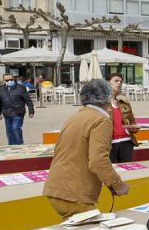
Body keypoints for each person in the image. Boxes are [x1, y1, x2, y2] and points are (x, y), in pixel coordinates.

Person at [42, 79, 129, 218]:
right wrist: (117, 184)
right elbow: (97, 160)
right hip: (74, 193)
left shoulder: (77, 115)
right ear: (107, 98)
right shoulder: (101, 120)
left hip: (58, 187)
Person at [108, 73, 141, 163]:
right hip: (109, 143)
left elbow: (132, 121)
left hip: (127, 141)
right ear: (107, 82)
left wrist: (134, 128)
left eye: (121, 81)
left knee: (127, 171)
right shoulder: (101, 102)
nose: (119, 83)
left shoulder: (124, 102)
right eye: (116, 81)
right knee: (109, 170)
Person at [0, 74, 35, 146]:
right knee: (9, 131)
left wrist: (31, 111)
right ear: (4, 81)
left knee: (15, 128)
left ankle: (19, 144)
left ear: (14, 79)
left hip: (18, 112)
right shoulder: (0, 89)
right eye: (7, 80)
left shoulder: (21, 87)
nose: (10, 81)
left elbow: (28, 100)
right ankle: (12, 145)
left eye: (11, 80)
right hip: (7, 113)